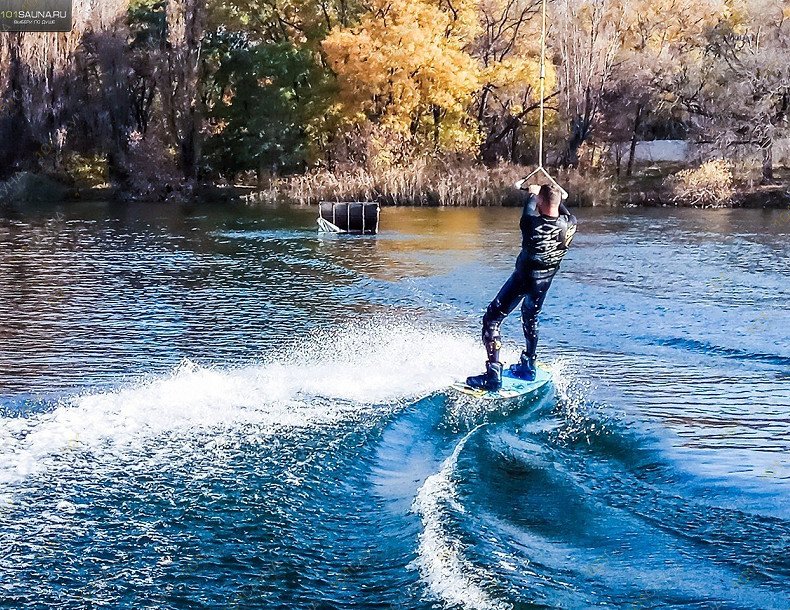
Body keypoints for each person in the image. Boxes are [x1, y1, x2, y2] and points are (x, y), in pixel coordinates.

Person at [466, 182, 577, 391]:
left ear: (542, 202)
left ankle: (493, 375)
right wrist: (559, 196)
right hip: (543, 283)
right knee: (531, 318)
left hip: (522, 279)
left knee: (492, 319)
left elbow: (531, 204)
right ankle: (528, 365)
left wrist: (533, 192)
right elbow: (562, 210)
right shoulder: (571, 224)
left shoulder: (530, 222)